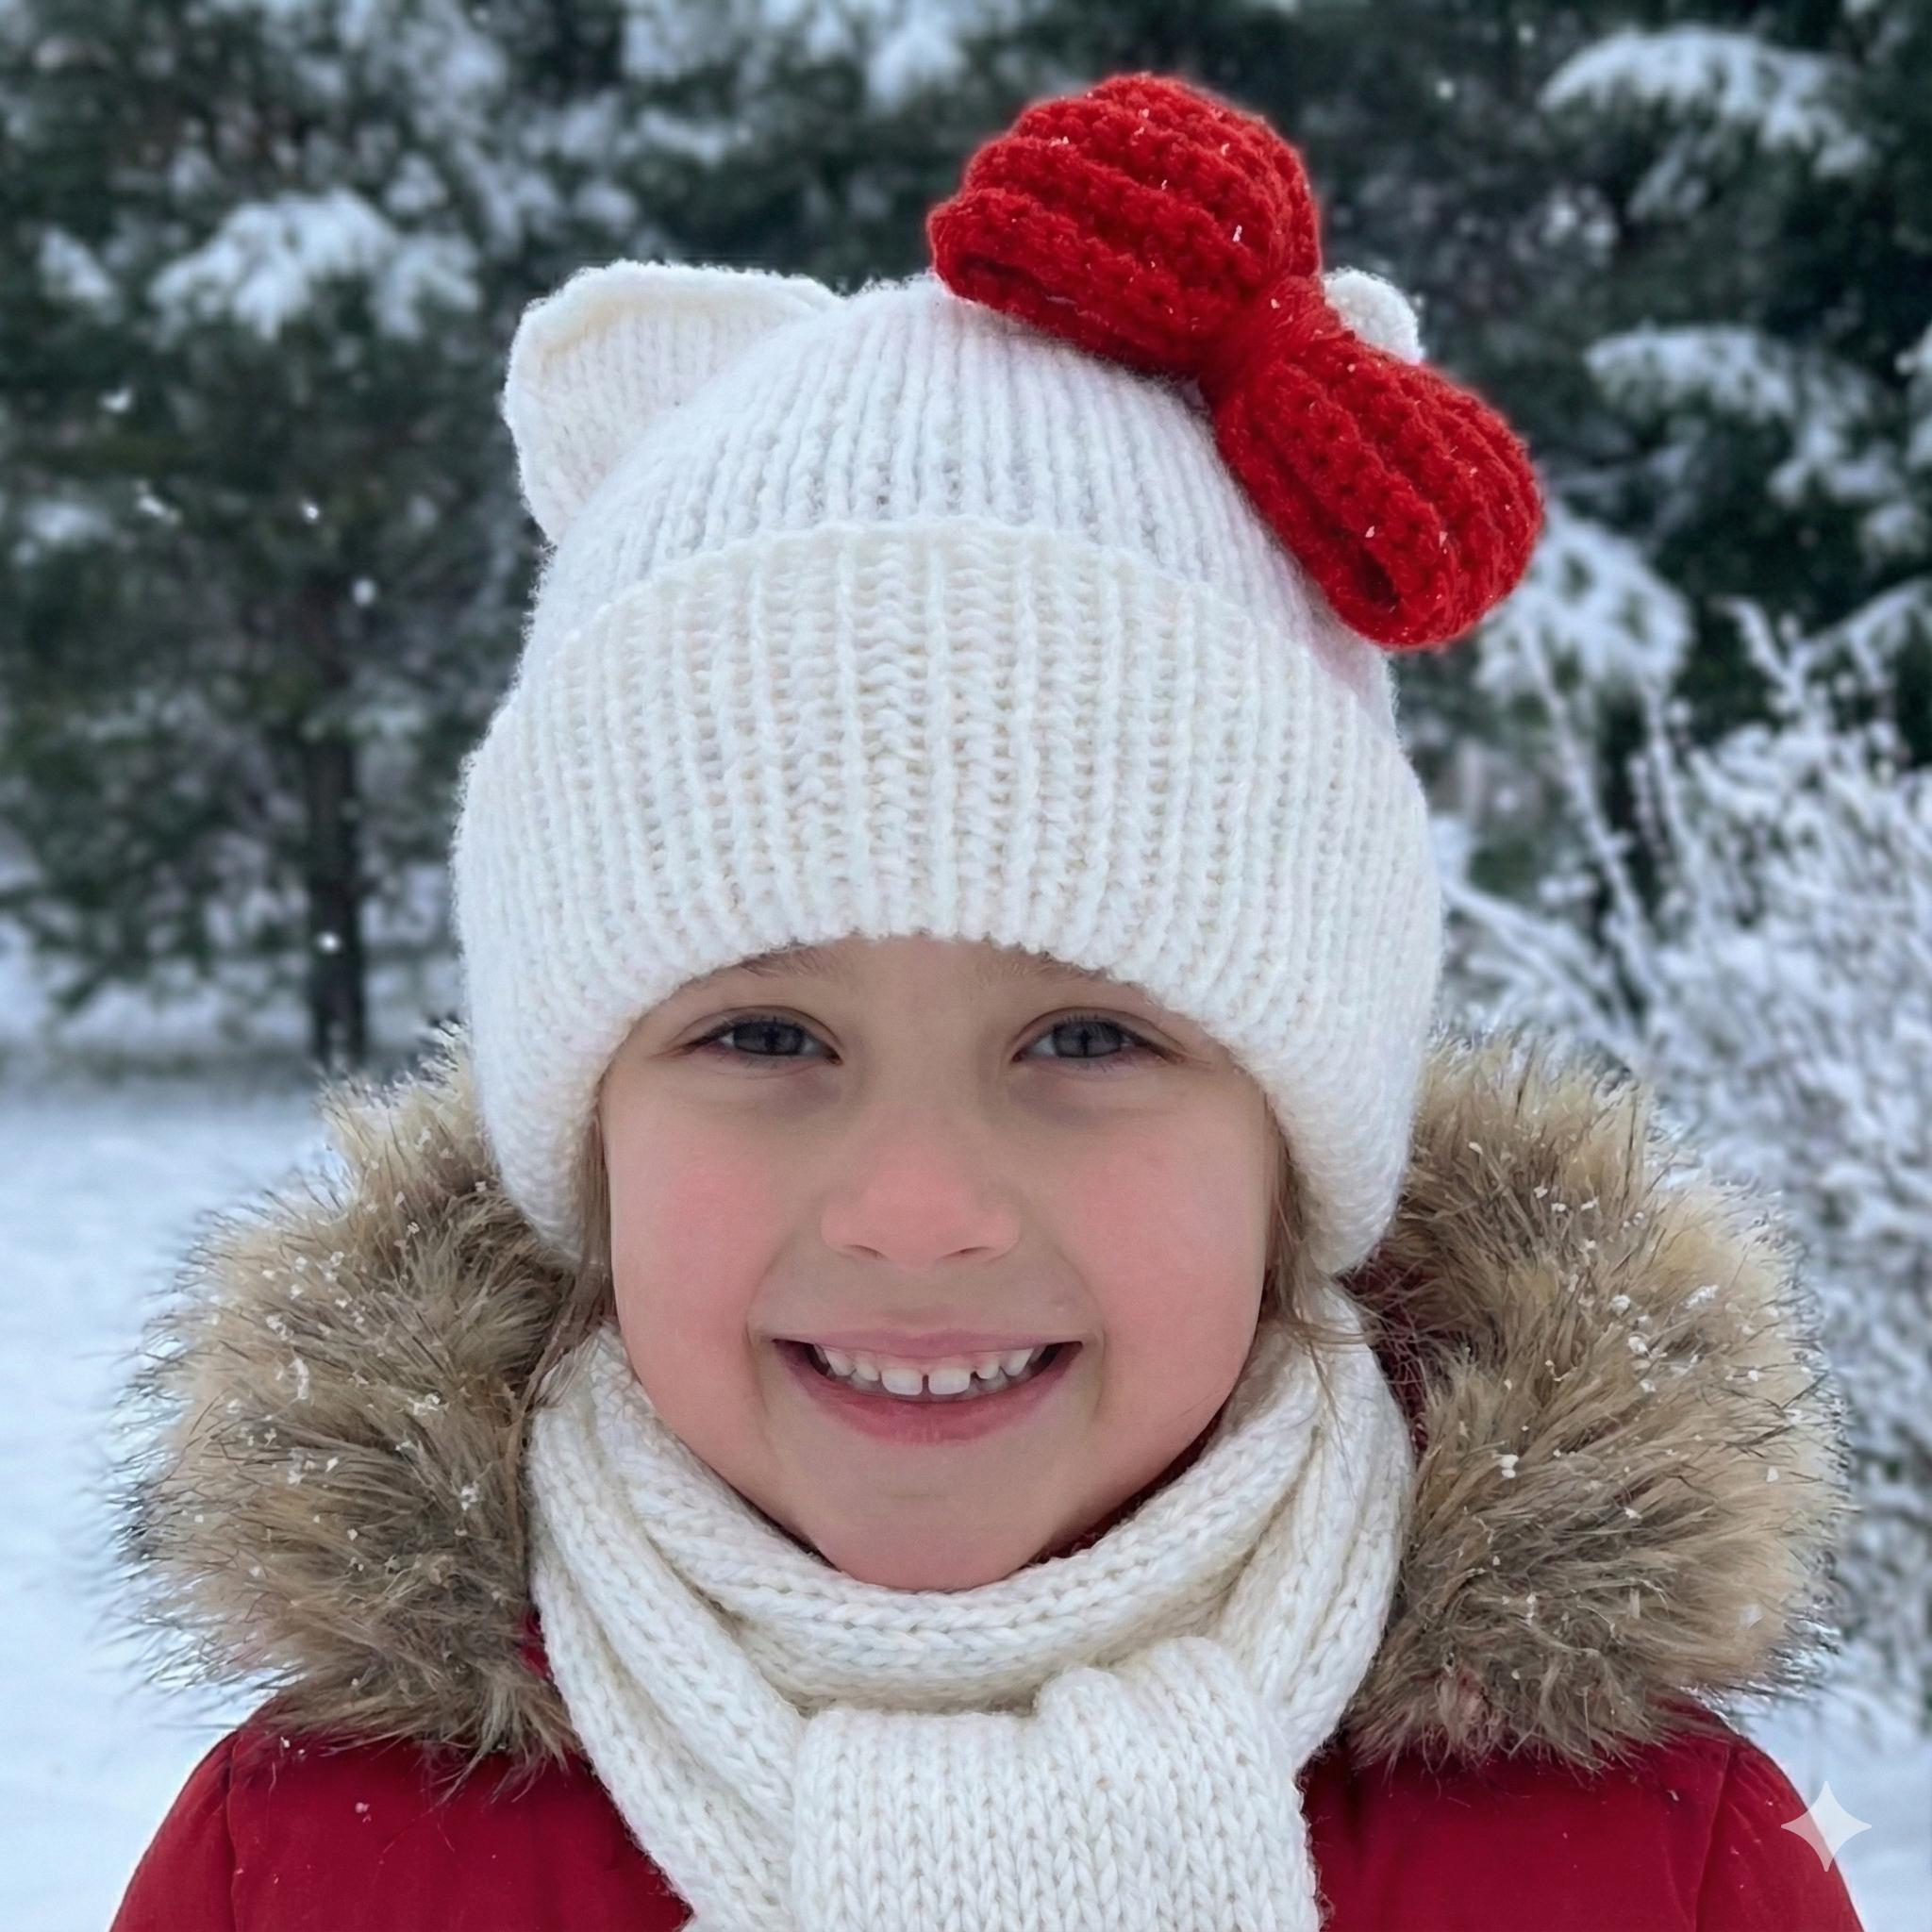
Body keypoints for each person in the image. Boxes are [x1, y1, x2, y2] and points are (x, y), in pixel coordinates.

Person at [108, 70, 1865, 1932]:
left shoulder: (1650, 1858)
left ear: (1297, 1145)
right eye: (764, 1037)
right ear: (585, 1133)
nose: (914, 1210)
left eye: (1089, 1037)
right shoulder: (309, 1862)